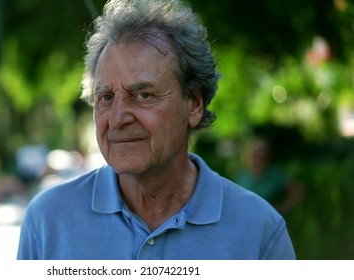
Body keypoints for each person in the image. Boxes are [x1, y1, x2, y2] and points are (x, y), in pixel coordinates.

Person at [17, 0, 296, 260]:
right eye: (106, 97)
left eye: (143, 95)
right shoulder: (47, 221)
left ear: (194, 105)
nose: (117, 119)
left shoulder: (259, 232)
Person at [236, 136, 303, 215]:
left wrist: (286, 207)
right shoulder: (242, 176)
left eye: (261, 155)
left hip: (269, 221)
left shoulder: (274, 174)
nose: (258, 158)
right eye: (255, 154)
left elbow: (297, 189)